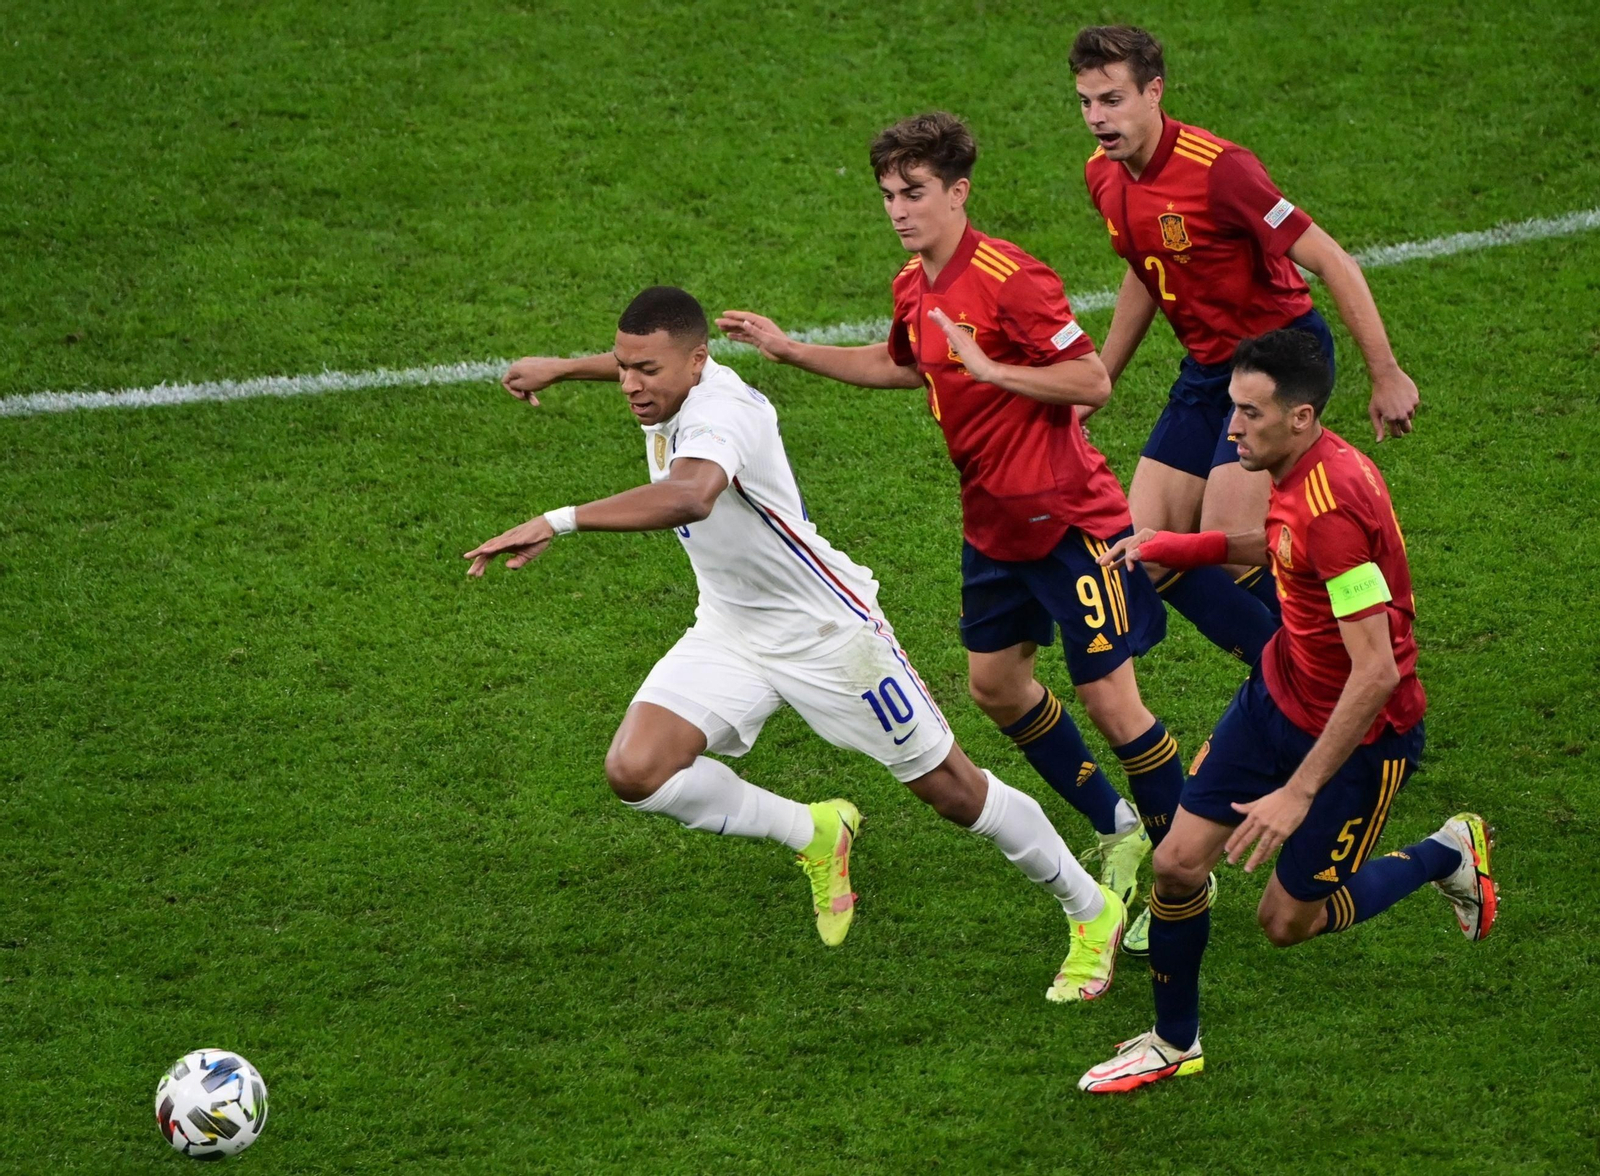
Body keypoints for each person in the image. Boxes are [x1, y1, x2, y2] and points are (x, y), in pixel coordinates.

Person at [471, 285, 1126, 1003]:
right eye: (624, 366)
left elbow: (691, 495)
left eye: (646, 372)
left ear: (699, 363)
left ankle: (1092, 910)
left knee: (952, 790)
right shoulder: (668, 384)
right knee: (638, 771)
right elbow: (644, 364)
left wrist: (558, 520)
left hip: (828, 636)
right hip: (729, 626)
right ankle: (815, 832)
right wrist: (563, 368)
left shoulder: (726, 411)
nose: (631, 384)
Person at [717, 112, 1194, 958]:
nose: (900, 209)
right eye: (889, 195)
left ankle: (1182, 876)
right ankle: (1119, 827)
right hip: (994, 526)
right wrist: (791, 351)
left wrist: (992, 369)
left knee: (1113, 704)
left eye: (915, 192)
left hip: (1071, 521)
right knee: (997, 688)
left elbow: (1090, 379)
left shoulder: (1013, 278)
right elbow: (901, 363)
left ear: (957, 191)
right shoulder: (915, 284)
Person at [1076, 329, 1495, 1093]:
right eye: (1232, 408)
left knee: (1285, 923)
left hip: (1360, 740)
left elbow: (1374, 672)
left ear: (1300, 416)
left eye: (1249, 413)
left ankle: (1447, 853)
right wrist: (1179, 544)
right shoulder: (1297, 471)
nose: (1231, 427)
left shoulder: (1334, 509)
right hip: (1277, 697)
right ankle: (1175, 1042)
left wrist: (1297, 791)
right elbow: (1279, 546)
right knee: (1175, 864)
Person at [1070, 25, 1421, 664]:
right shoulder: (1105, 174)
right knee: (1142, 552)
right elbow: (1144, 266)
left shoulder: (1221, 171)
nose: (1097, 118)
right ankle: (1301, 674)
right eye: (1086, 102)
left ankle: (1319, 683)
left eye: (1112, 100)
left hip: (1276, 360)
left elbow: (1333, 261)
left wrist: (1387, 372)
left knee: (1227, 546)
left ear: (1154, 92)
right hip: (1208, 370)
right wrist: (1103, 380)